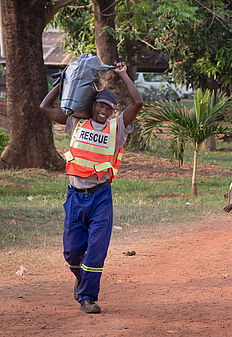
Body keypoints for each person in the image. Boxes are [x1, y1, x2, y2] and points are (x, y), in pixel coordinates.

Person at [40, 62, 143, 314]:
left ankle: (87, 297)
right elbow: (45, 107)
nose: (104, 110)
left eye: (109, 107)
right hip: (75, 196)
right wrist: (62, 82)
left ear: (113, 110)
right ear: (92, 105)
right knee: (72, 253)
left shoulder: (117, 127)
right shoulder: (76, 122)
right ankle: (80, 277)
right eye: (100, 104)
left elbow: (137, 103)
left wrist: (122, 74)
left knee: (96, 250)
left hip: (100, 198)